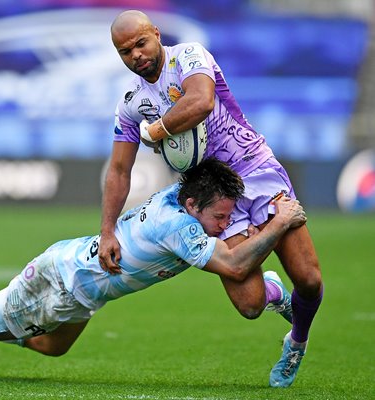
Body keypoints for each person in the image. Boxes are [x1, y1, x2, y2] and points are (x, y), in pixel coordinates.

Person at [0, 158, 307, 376]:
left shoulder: (178, 198)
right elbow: (231, 264)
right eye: (220, 217)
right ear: (192, 204)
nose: (225, 225)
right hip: (64, 284)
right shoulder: (180, 228)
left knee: (50, 347)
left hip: (79, 284)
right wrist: (279, 221)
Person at [101, 10, 323, 388]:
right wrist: (106, 231)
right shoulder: (131, 104)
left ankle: (296, 342)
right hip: (213, 195)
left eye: (141, 43)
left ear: (156, 34)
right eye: (125, 51)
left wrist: (156, 130)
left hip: (255, 168)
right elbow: (120, 170)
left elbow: (202, 101)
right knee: (250, 306)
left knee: (309, 280)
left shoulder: (189, 56)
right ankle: (271, 289)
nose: (136, 54)